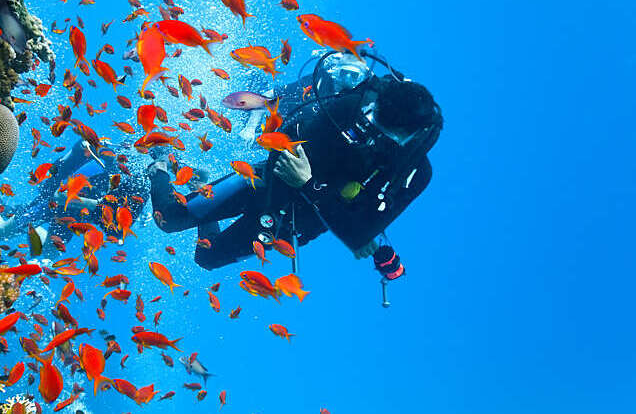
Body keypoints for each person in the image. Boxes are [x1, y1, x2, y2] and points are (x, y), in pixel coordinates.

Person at [148, 50, 442, 269]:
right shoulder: (358, 102)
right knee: (169, 219)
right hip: (264, 182)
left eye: (383, 130)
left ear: (406, 135)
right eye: (373, 118)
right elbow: (287, 133)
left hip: (293, 222)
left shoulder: (414, 171)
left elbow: (360, 234)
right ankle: (158, 161)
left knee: (207, 258)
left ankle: (197, 179)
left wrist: (308, 183)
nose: (370, 129)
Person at [0, 139, 150, 251]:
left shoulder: (137, 186)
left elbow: (118, 231)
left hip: (73, 215)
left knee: (49, 254)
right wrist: (99, 205)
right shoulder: (104, 164)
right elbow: (59, 195)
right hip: (55, 202)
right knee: (1, 231)